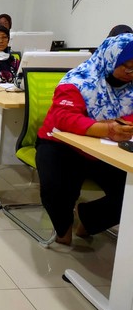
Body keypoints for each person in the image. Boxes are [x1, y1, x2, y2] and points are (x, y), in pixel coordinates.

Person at [35, 34, 133, 245]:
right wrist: (107, 129)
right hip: (61, 144)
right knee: (56, 189)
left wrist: (121, 125)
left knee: (128, 194)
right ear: (110, 58)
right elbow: (64, 118)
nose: (130, 73)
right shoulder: (79, 80)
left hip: (106, 149)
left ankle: (89, 219)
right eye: (127, 66)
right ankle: (63, 229)